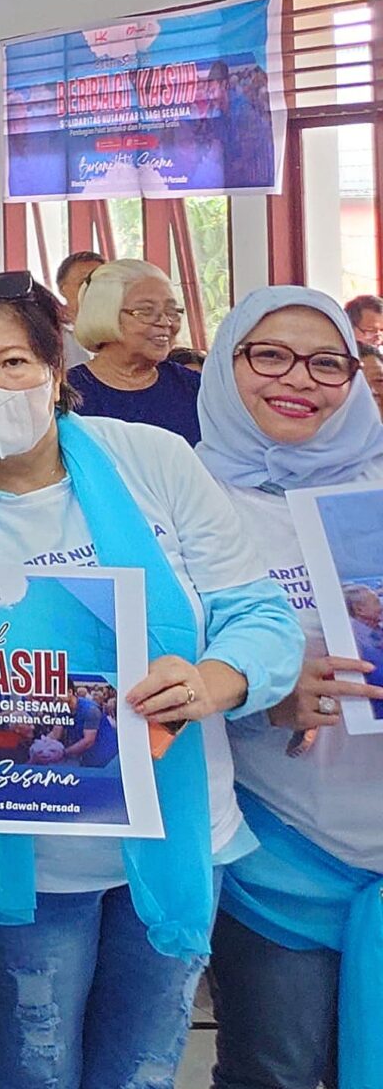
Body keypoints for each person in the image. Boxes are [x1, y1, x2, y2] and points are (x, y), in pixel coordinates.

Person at [0, 272, 301, 1089]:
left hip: (176, 828)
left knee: (142, 1067)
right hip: (23, 859)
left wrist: (217, 678)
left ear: (57, 370)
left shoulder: (152, 462)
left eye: (12, 362)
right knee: (28, 1068)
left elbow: (260, 615)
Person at [190, 287, 383, 1089]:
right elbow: (144, 665)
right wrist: (260, 689)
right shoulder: (180, 500)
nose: (297, 379)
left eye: (327, 361)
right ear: (224, 362)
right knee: (275, 1071)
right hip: (276, 852)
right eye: (268, 355)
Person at [67, 258, 200, 444]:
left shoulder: (194, 388)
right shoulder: (68, 394)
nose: (165, 322)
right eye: (146, 311)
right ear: (105, 314)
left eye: (172, 311)